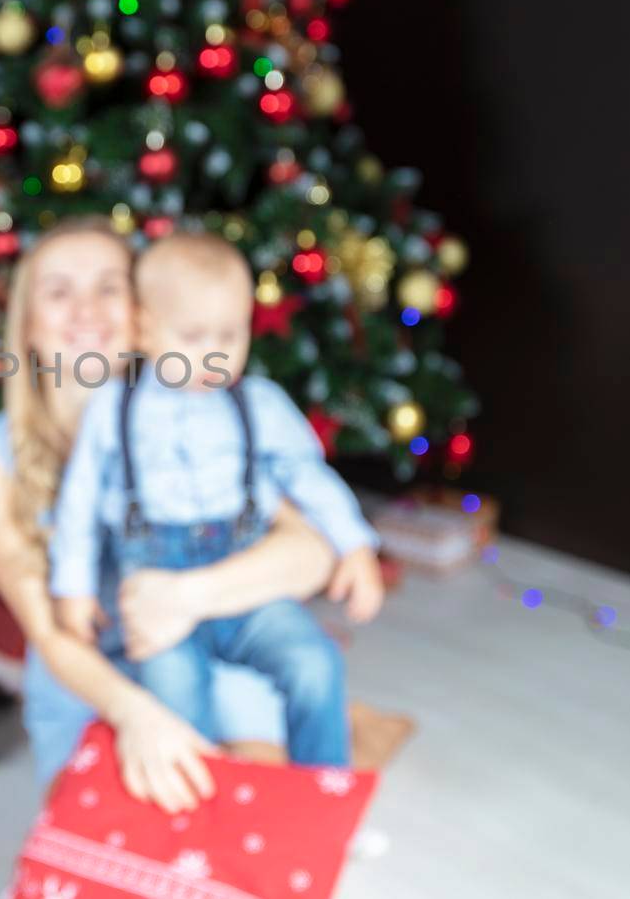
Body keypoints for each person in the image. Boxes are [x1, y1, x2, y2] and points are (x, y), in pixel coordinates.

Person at [0, 218, 351, 815]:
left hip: (206, 647)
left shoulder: (205, 418)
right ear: (28, 324)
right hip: (88, 681)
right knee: (124, 831)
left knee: (251, 811)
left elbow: (313, 554)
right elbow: (48, 630)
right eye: (59, 291)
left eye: (108, 287)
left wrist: (184, 598)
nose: (86, 308)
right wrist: (138, 717)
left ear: (143, 313)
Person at [48, 232, 385, 767]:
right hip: (155, 592)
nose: (215, 355)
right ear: (144, 327)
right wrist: (73, 588)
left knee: (315, 663)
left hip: (243, 583)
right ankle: (201, 829)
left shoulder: (260, 404)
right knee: (177, 706)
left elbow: (309, 477)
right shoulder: (115, 407)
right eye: (194, 336)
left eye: (231, 335)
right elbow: (79, 504)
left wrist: (356, 548)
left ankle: (322, 794)